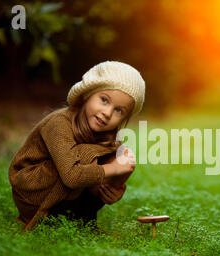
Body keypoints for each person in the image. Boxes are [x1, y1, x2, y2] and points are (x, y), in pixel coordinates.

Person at [8, 61, 145, 231]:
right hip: (33, 192)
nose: (107, 113)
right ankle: (46, 218)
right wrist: (114, 169)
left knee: (120, 154)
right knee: (90, 156)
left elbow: (108, 167)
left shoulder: (105, 135)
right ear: (87, 94)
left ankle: (79, 219)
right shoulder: (59, 123)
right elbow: (72, 177)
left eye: (119, 110)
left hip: (64, 190)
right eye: (104, 100)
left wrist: (114, 187)